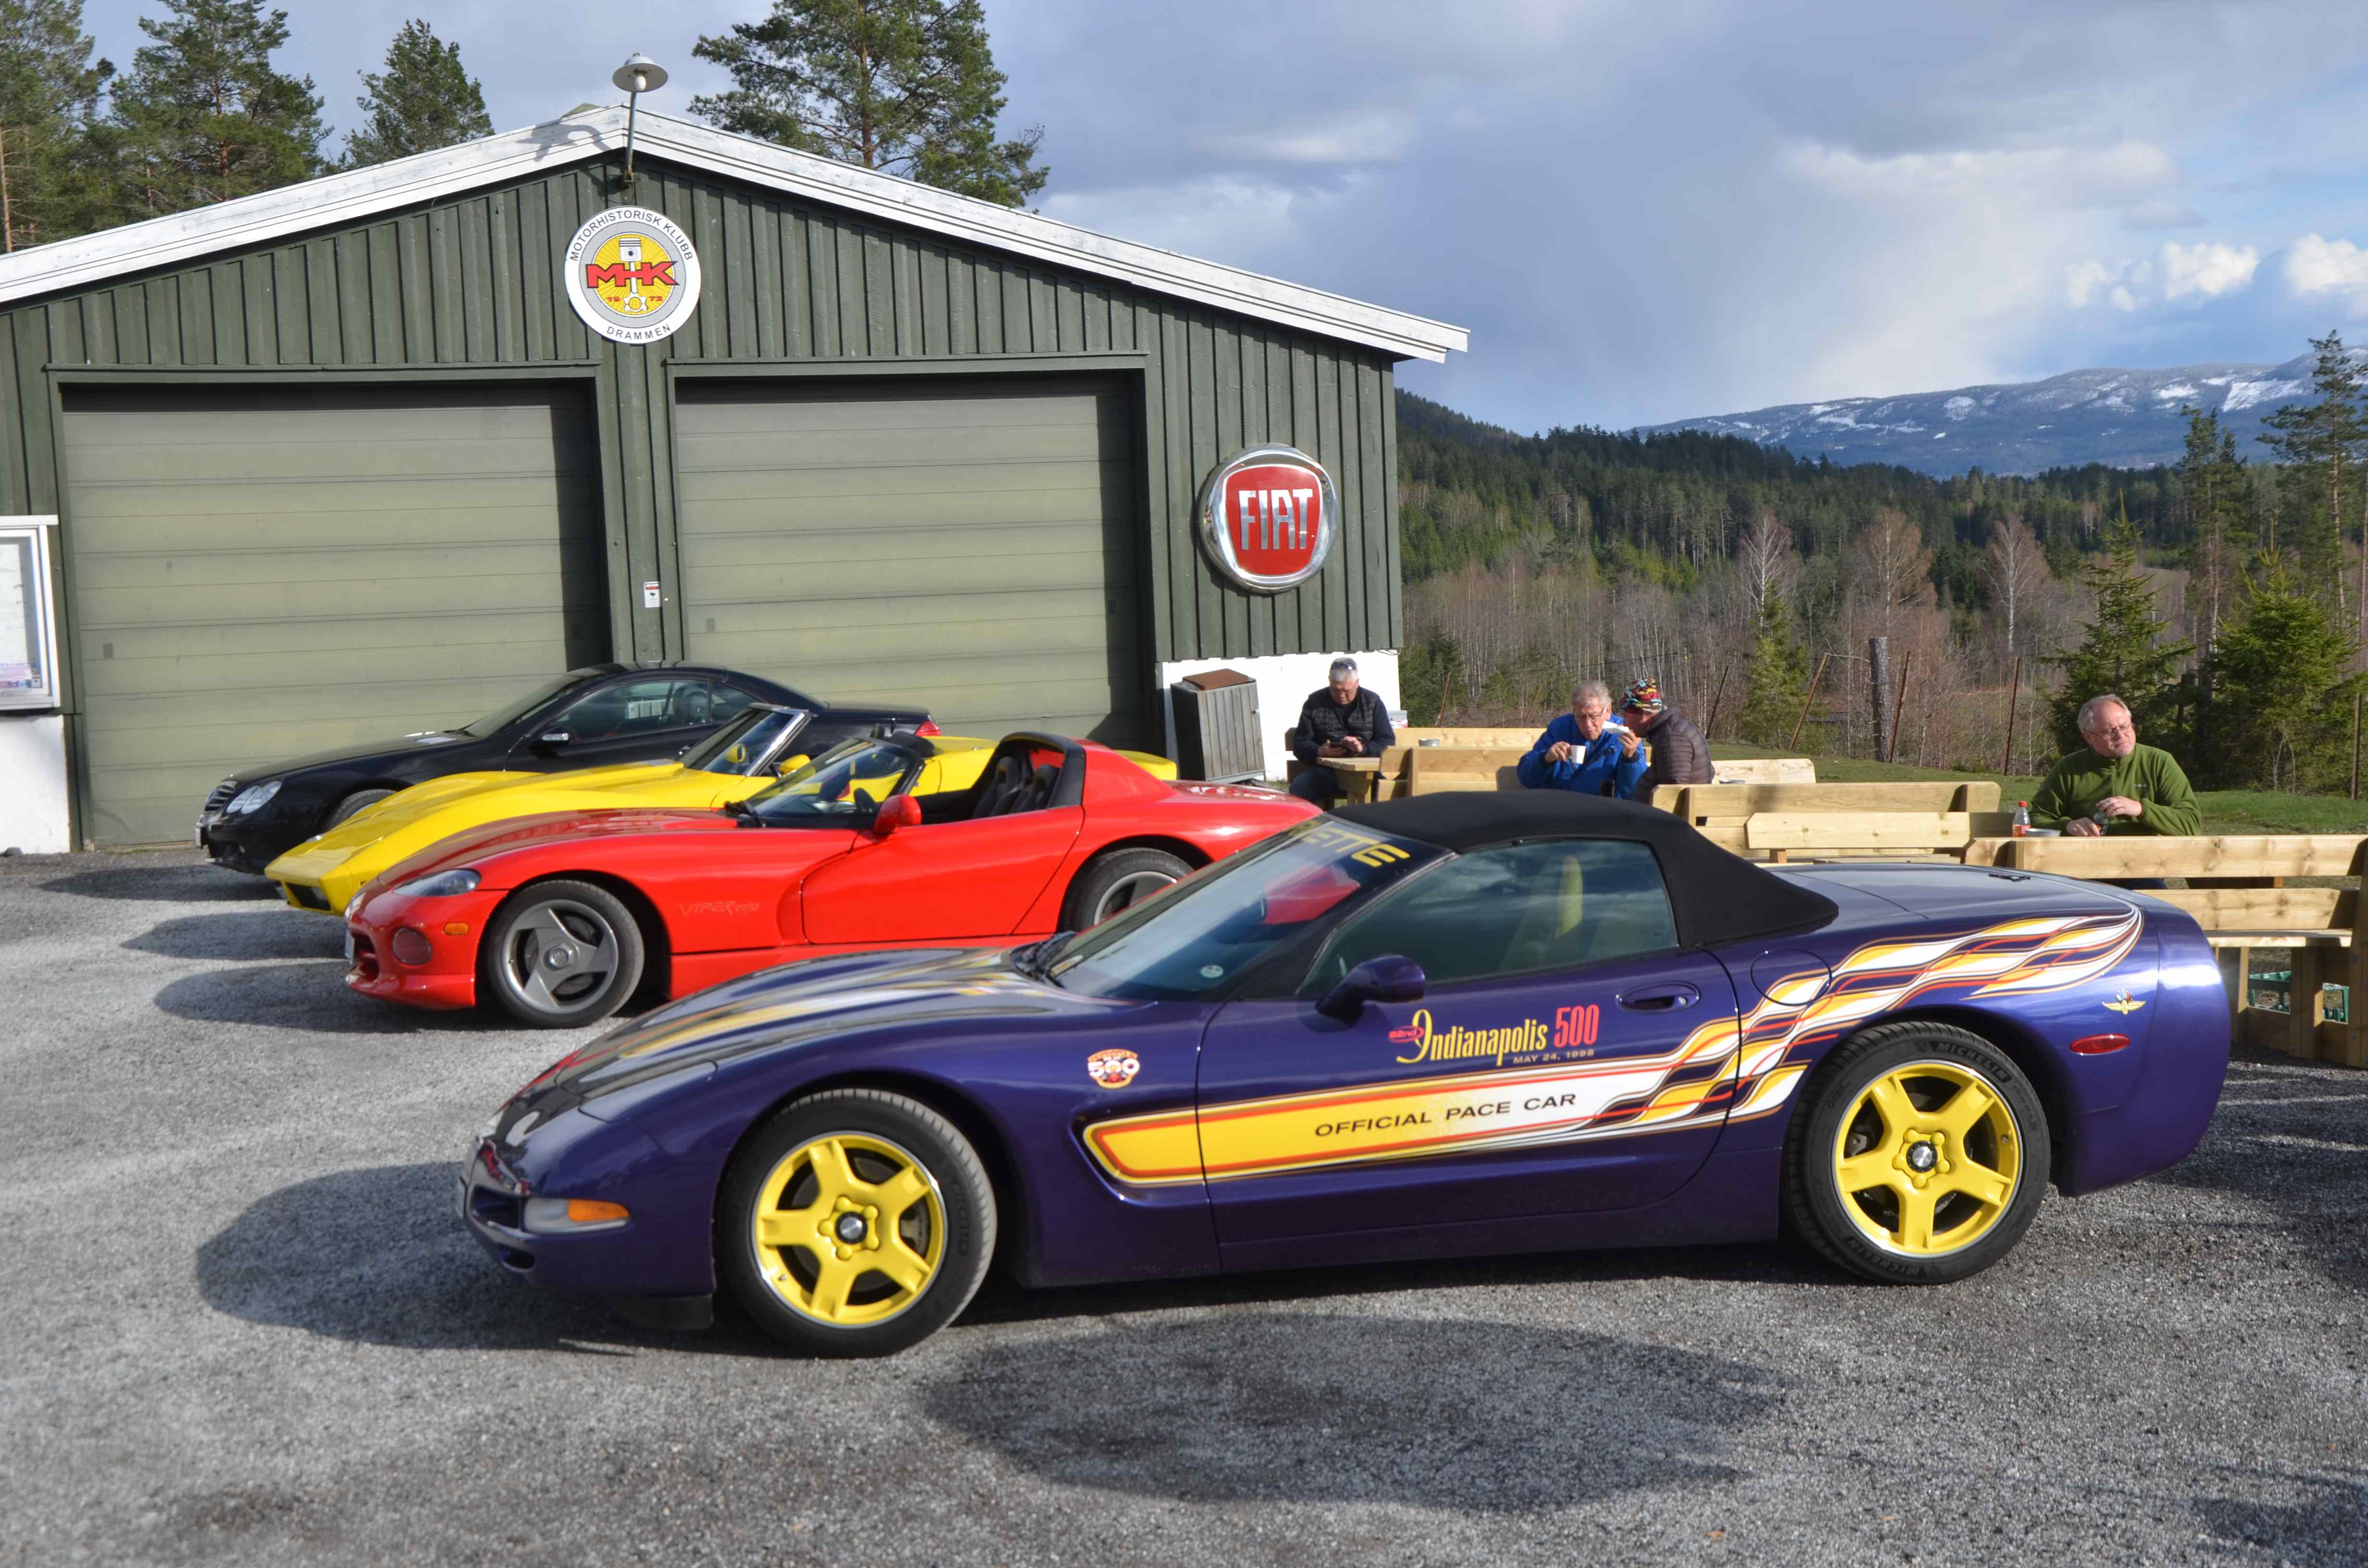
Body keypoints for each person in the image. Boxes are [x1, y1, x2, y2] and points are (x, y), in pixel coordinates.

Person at [2030, 694, 2199, 837]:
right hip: (2085, 861)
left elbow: (2191, 825)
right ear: (2088, 737)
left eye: (2125, 727)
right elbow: (2035, 820)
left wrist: (2141, 809)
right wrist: (2068, 826)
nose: (2121, 736)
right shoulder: (2069, 768)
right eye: (2109, 731)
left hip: (2146, 861)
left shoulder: (2159, 762)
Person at [1289, 657, 1396, 807]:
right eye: (1336, 689)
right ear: (1329, 681)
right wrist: (1318, 751)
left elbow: (1387, 742)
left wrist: (1362, 748)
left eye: (1347, 691)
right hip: (1327, 772)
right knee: (1299, 788)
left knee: (1389, 793)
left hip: (1366, 773)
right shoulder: (1314, 703)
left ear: (1357, 683)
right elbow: (1300, 743)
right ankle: (1309, 822)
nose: (1341, 695)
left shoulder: (1372, 702)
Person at [1517, 680, 1649, 798]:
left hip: (1605, 810)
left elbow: (1634, 792)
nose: (1588, 725)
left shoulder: (1625, 733)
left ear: (1608, 711)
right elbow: (1526, 779)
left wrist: (1631, 759)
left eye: (1594, 716)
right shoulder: (1559, 729)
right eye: (1581, 716)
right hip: (1561, 807)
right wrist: (1546, 759)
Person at [1617, 678, 1712, 796]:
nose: (1625, 723)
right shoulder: (1668, 730)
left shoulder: (1671, 738)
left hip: (1660, 809)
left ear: (1642, 714)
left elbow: (1674, 795)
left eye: (1626, 716)